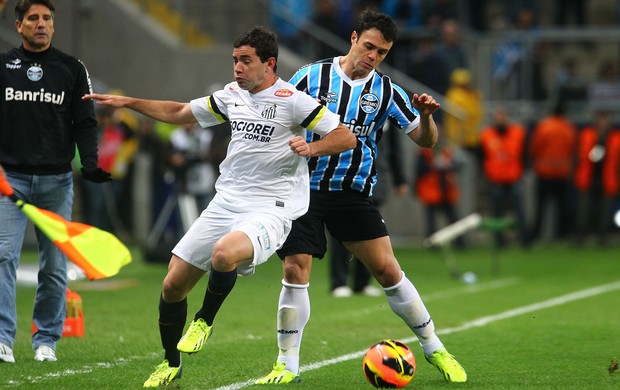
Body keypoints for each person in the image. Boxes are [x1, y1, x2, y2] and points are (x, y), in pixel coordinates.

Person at [84, 25, 356, 387]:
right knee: (171, 286)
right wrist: (128, 103)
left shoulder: (293, 99)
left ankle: (204, 320)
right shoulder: (230, 96)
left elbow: (345, 135)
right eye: (234, 60)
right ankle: (170, 362)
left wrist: (313, 147)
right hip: (226, 201)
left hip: (271, 207)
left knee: (224, 254)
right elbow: (181, 112)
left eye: (246, 61)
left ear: (269, 64)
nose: (237, 68)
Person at [255, 10, 467, 384]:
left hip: (353, 192)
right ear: (353, 38)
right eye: (369, 46)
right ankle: (286, 365)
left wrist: (427, 117)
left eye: (382, 52)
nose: (373, 56)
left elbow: (426, 140)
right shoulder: (309, 76)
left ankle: (435, 348)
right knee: (294, 268)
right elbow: (277, 116)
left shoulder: (386, 91)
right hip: (302, 190)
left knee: (388, 271)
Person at [0, 0, 111, 364]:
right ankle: (2, 339)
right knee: (3, 257)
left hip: (57, 183)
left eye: (47, 18)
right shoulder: (3, 67)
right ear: (19, 25)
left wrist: (90, 163)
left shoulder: (72, 68)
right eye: (33, 18)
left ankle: (46, 339)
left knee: (54, 265)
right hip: (9, 180)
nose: (41, 24)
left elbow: (85, 121)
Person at [480, 107, 529, 248]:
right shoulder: (487, 135)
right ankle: (500, 241)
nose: (500, 120)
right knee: (496, 213)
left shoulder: (517, 133)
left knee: (519, 211)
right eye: (497, 117)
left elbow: (524, 154)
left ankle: (524, 240)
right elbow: (482, 157)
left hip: (514, 177)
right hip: (495, 179)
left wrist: (523, 172)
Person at [528, 103, 577, 242]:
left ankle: (536, 234)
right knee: (561, 206)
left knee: (541, 206)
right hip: (562, 172)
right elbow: (573, 149)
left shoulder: (544, 127)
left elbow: (534, 147)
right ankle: (560, 235)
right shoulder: (569, 128)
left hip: (544, 171)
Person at [573, 110, 620, 245]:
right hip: (588, 178)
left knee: (605, 211)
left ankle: (602, 237)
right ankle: (580, 237)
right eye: (600, 120)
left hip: (607, 179)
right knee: (583, 210)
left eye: (605, 120)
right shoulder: (586, 135)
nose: (602, 123)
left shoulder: (616, 137)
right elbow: (578, 156)